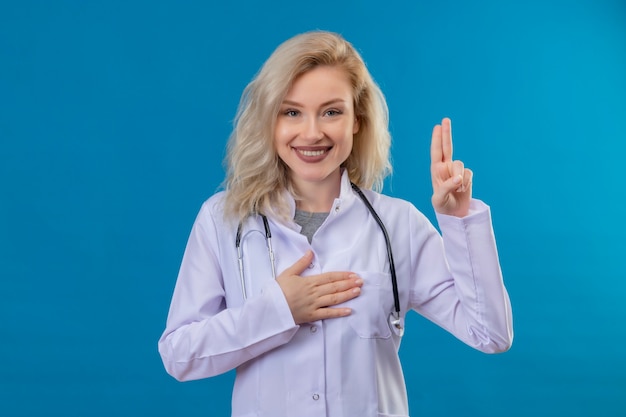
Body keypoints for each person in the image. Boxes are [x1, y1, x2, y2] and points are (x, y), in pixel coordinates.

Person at [158, 30, 513, 417]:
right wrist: (279, 309)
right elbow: (180, 356)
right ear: (270, 121)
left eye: (332, 111)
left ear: (357, 120)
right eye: (291, 112)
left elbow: (491, 334)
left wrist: (458, 217)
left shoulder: (398, 224)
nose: (312, 132)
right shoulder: (223, 219)